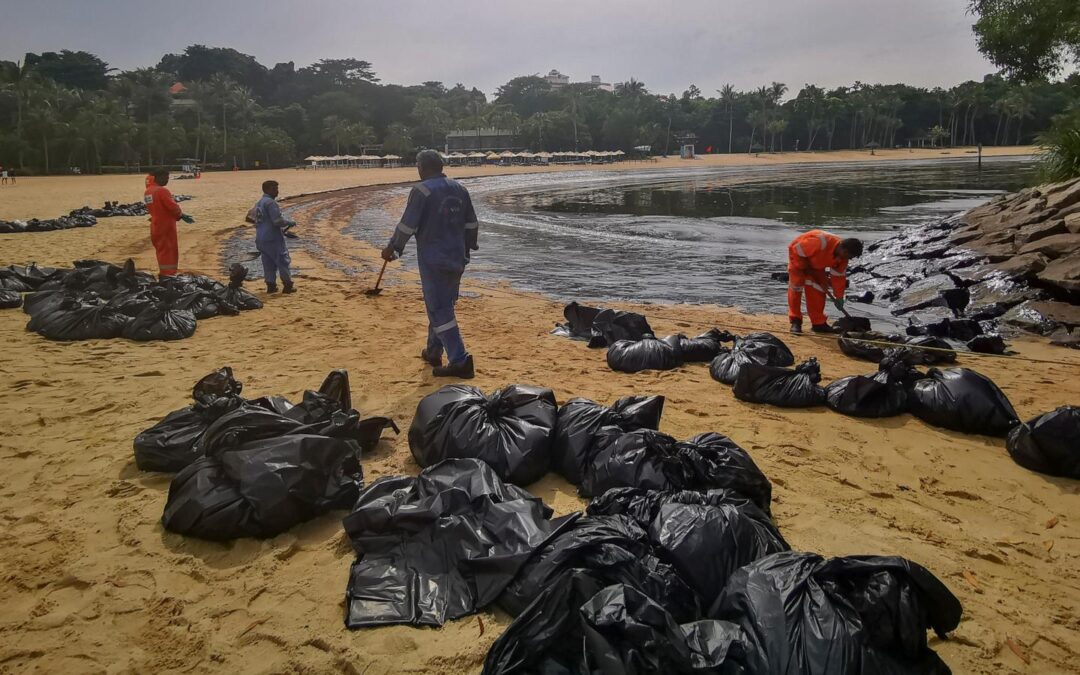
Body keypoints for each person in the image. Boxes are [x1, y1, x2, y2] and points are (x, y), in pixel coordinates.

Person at [382, 149, 479, 379]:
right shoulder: (460, 189)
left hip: (434, 258)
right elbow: (472, 224)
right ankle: (433, 351)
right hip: (457, 257)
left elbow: (407, 225)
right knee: (443, 304)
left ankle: (460, 360)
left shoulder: (421, 190)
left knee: (438, 308)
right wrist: (468, 247)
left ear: (422, 167)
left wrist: (393, 247)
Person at [787, 230, 862, 334]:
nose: (846, 258)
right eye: (846, 254)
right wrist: (803, 266)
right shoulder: (820, 242)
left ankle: (818, 324)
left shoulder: (844, 258)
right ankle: (795, 321)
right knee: (796, 287)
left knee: (818, 289)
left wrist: (839, 297)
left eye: (849, 257)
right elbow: (796, 249)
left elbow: (838, 277)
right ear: (842, 247)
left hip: (817, 266)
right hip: (798, 258)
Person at [143, 170, 192, 277]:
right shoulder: (162, 191)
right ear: (158, 177)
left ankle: (164, 271)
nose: (167, 180)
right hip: (166, 226)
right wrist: (181, 215)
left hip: (155, 225)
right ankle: (169, 274)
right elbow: (172, 207)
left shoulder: (148, 192)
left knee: (161, 249)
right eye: (166, 178)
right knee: (169, 250)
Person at [253, 180, 296, 293]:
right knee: (282, 261)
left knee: (268, 263)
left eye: (277, 188)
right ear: (267, 190)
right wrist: (289, 222)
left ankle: (271, 285)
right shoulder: (271, 203)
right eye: (274, 189)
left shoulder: (259, 203)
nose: (277, 191)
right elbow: (277, 221)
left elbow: (253, 219)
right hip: (272, 238)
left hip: (260, 238)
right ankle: (287, 285)